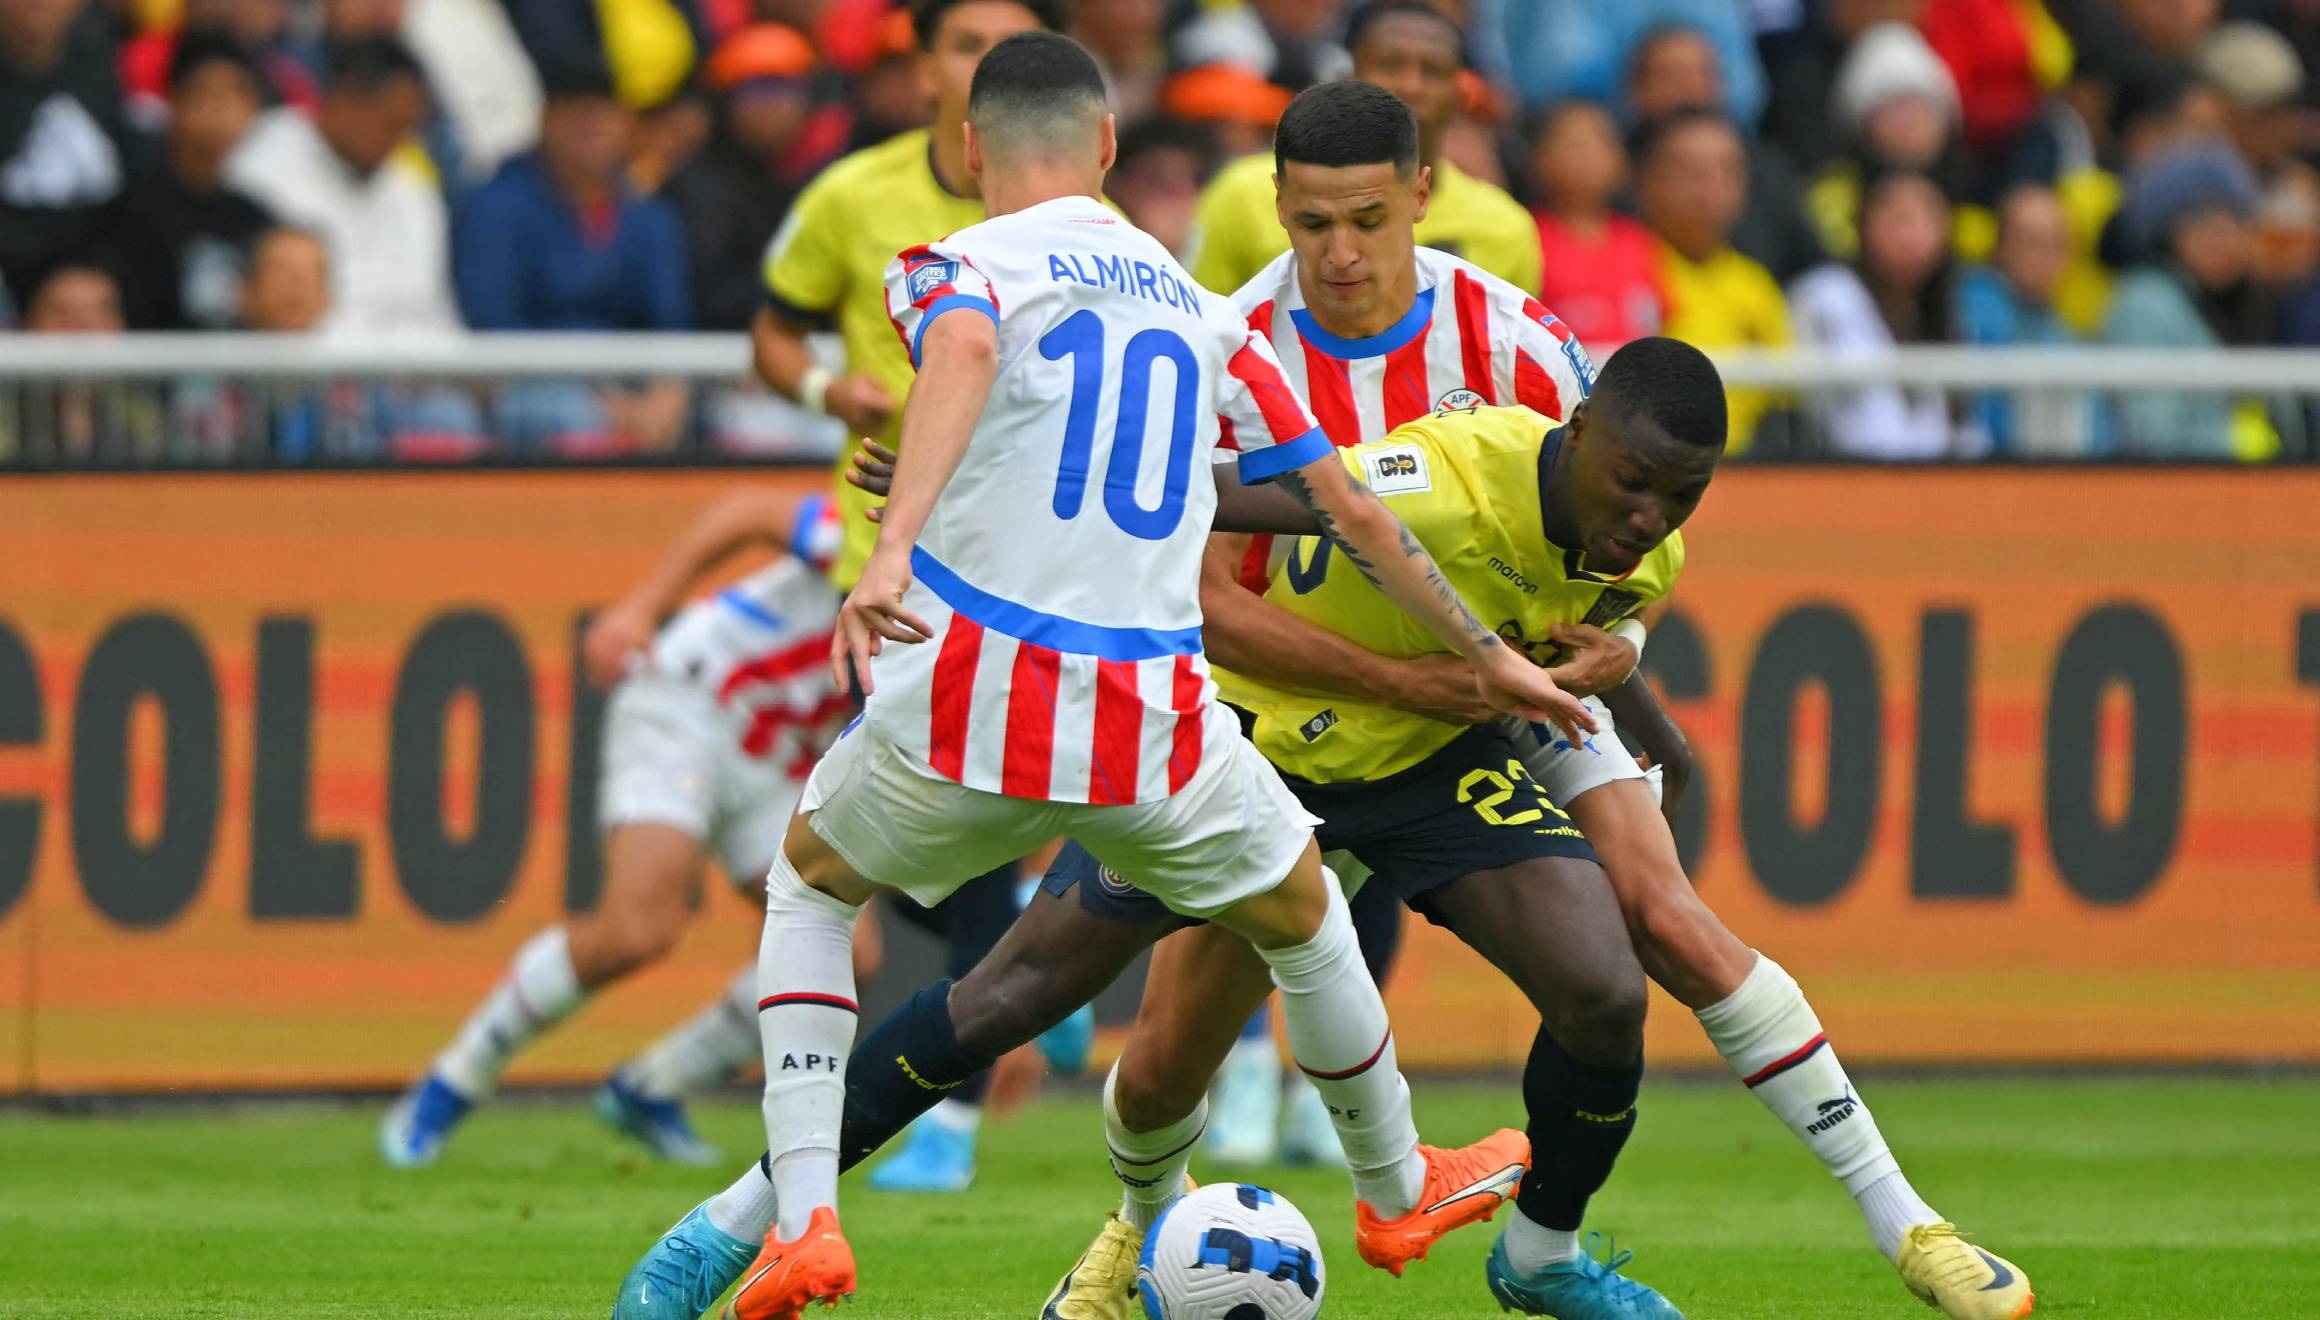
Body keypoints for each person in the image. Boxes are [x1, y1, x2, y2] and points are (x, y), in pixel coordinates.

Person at [614, 32, 1593, 1320]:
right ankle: (1395, 1176)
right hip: (1152, 724)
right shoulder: (1197, 308)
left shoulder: (960, 261)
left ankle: (803, 1221)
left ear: (971, 150)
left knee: (808, 885)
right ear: (1111, 149)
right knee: (1302, 910)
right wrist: (1487, 656)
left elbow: (962, 357)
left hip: (977, 698)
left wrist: (893, 543)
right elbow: (1348, 507)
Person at [746, 0, 1071, 1193]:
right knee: (943, 866)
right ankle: (1051, 958)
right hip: (880, 572)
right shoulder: (852, 197)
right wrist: (835, 392)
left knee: (901, 855)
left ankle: (945, 1111)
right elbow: (772, 334)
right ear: (924, 65)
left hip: (1015, 570)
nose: (982, 61)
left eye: (1008, 39)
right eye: (961, 39)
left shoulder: (1071, 227)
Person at [381, 485, 856, 1168]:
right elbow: (748, 511)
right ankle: (456, 1078)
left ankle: (652, 1086)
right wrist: (642, 606)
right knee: (639, 929)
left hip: (778, 754)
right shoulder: (903, 530)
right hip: (695, 699)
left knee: (847, 955)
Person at [1191, 2, 1539, 297]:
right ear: (1347, 77)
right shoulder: (1243, 194)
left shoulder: (1506, 226)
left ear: (1462, 96)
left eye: (1431, 71)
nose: (1410, 85)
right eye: (1390, 65)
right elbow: (1201, 329)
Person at [225, 35, 462, 335]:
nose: (398, 143)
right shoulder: (264, 159)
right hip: (306, 371)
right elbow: (278, 311)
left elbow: (439, 315)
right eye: (390, 123)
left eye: (408, 128)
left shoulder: (413, 191)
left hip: (415, 375)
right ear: (344, 101)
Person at [1788, 168, 1982, 458]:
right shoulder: (1826, 295)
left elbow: (1966, 432)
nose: (1911, 234)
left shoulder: (1952, 308)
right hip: (1840, 479)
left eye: (1927, 218)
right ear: (1864, 223)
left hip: (1936, 486)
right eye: (1899, 217)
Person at [1634, 109, 1796, 455]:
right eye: (1689, 171)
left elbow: (1783, 401)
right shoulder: (1623, 267)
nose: (1709, 187)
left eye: (1727, 171)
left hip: (1752, 472)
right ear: (1646, 180)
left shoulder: (1756, 284)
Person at [107, 30, 276, 330]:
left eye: (235, 95)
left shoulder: (257, 217)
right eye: (205, 93)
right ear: (173, 101)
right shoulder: (132, 211)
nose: (220, 110)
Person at [1958, 182, 2097, 455]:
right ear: (2000, 246)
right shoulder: (1964, 314)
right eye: (2032, 242)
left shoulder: (2063, 333)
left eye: (2059, 245)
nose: (2047, 257)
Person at [1528, 98, 1664, 348]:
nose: (1585, 157)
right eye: (1571, 144)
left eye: (1599, 143)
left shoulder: (1640, 240)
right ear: (1539, 158)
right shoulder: (1528, 237)